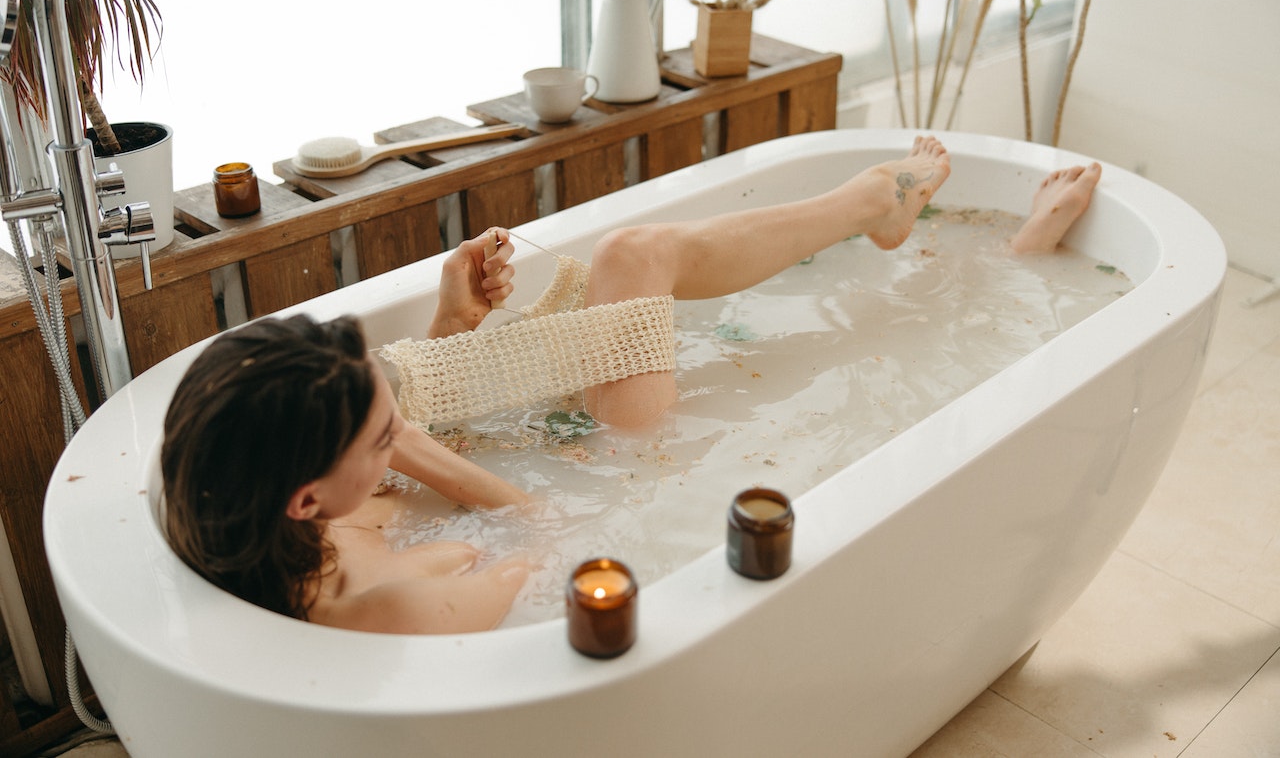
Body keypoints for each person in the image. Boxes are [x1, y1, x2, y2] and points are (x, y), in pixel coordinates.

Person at [161, 136, 1100, 635]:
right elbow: (557, 532)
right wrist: (422, 451)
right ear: (305, 494)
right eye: (378, 432)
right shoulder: (386, 606)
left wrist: (454, 331)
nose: (395, 426)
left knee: (627, 255)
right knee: (639, 253)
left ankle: (892, 218)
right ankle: (911, 221)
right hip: (633, 479)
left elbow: (397, 470)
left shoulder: (263, 505)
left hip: (544, 446)